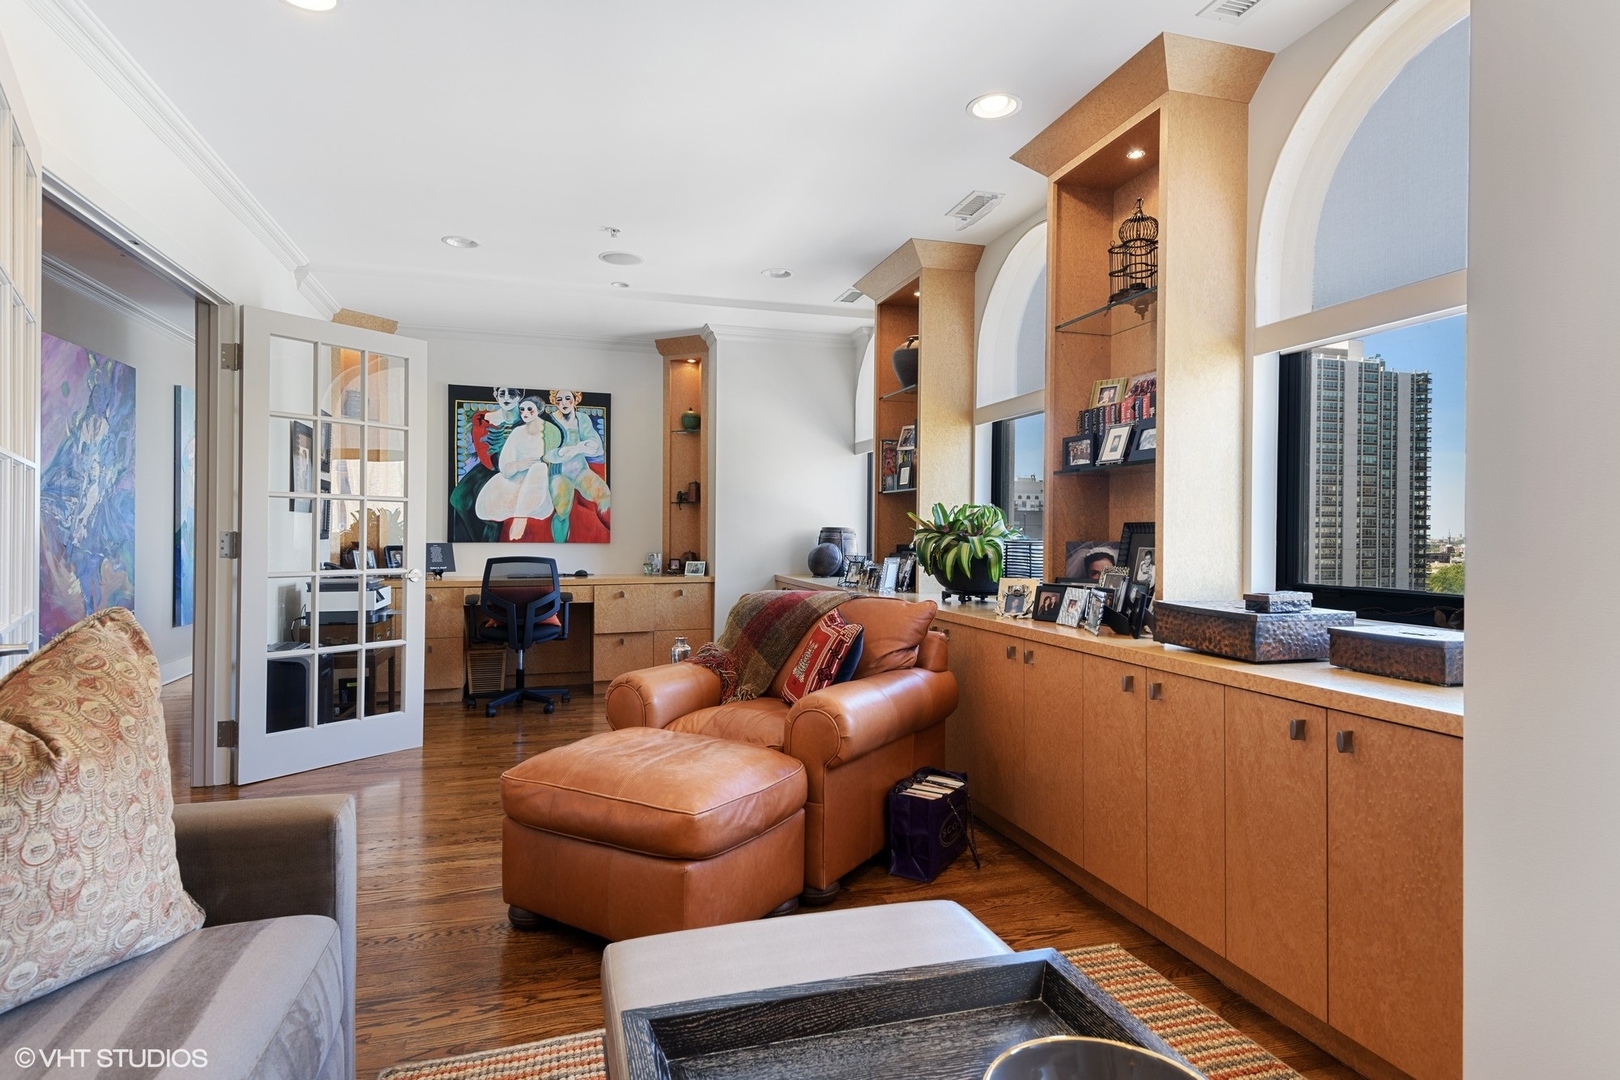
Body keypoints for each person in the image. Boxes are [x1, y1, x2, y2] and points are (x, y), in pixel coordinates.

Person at [474, 396, 556, 540]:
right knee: (489, 504)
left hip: (538, 482)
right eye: (522, 409)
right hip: (516, 479)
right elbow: (505, 467)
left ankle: (520, 518)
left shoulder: (550, 431)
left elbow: (554, 457)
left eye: (530, 409)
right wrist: (519, 465)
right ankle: (519, 512)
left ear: (539, 410)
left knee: (539, 468)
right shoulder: (517, 432)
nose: (525, 413)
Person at [449, 386, 524, 542]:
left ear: (519, 397)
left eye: (512, 393)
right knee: (459, 498)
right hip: (490, 467)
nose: (507, 398)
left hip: (518, 469)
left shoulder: (528, 420)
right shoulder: (484, 420)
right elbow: (484, 451)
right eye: (502, 393)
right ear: (496, 395)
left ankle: (492, 536)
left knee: (493, 505)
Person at [540, 389, 611, 542]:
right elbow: (548, 455)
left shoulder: (582, 419)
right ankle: (560, 546)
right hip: (559, 474)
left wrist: (579, 449)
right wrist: (575, 449)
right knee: (562, 511)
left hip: (581, 470)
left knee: (605, 495)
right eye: (559, 399)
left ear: (576, 399)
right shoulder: (549, 421)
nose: (564, 403)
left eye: (568, 398)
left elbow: (597, 447)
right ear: (554, 401)